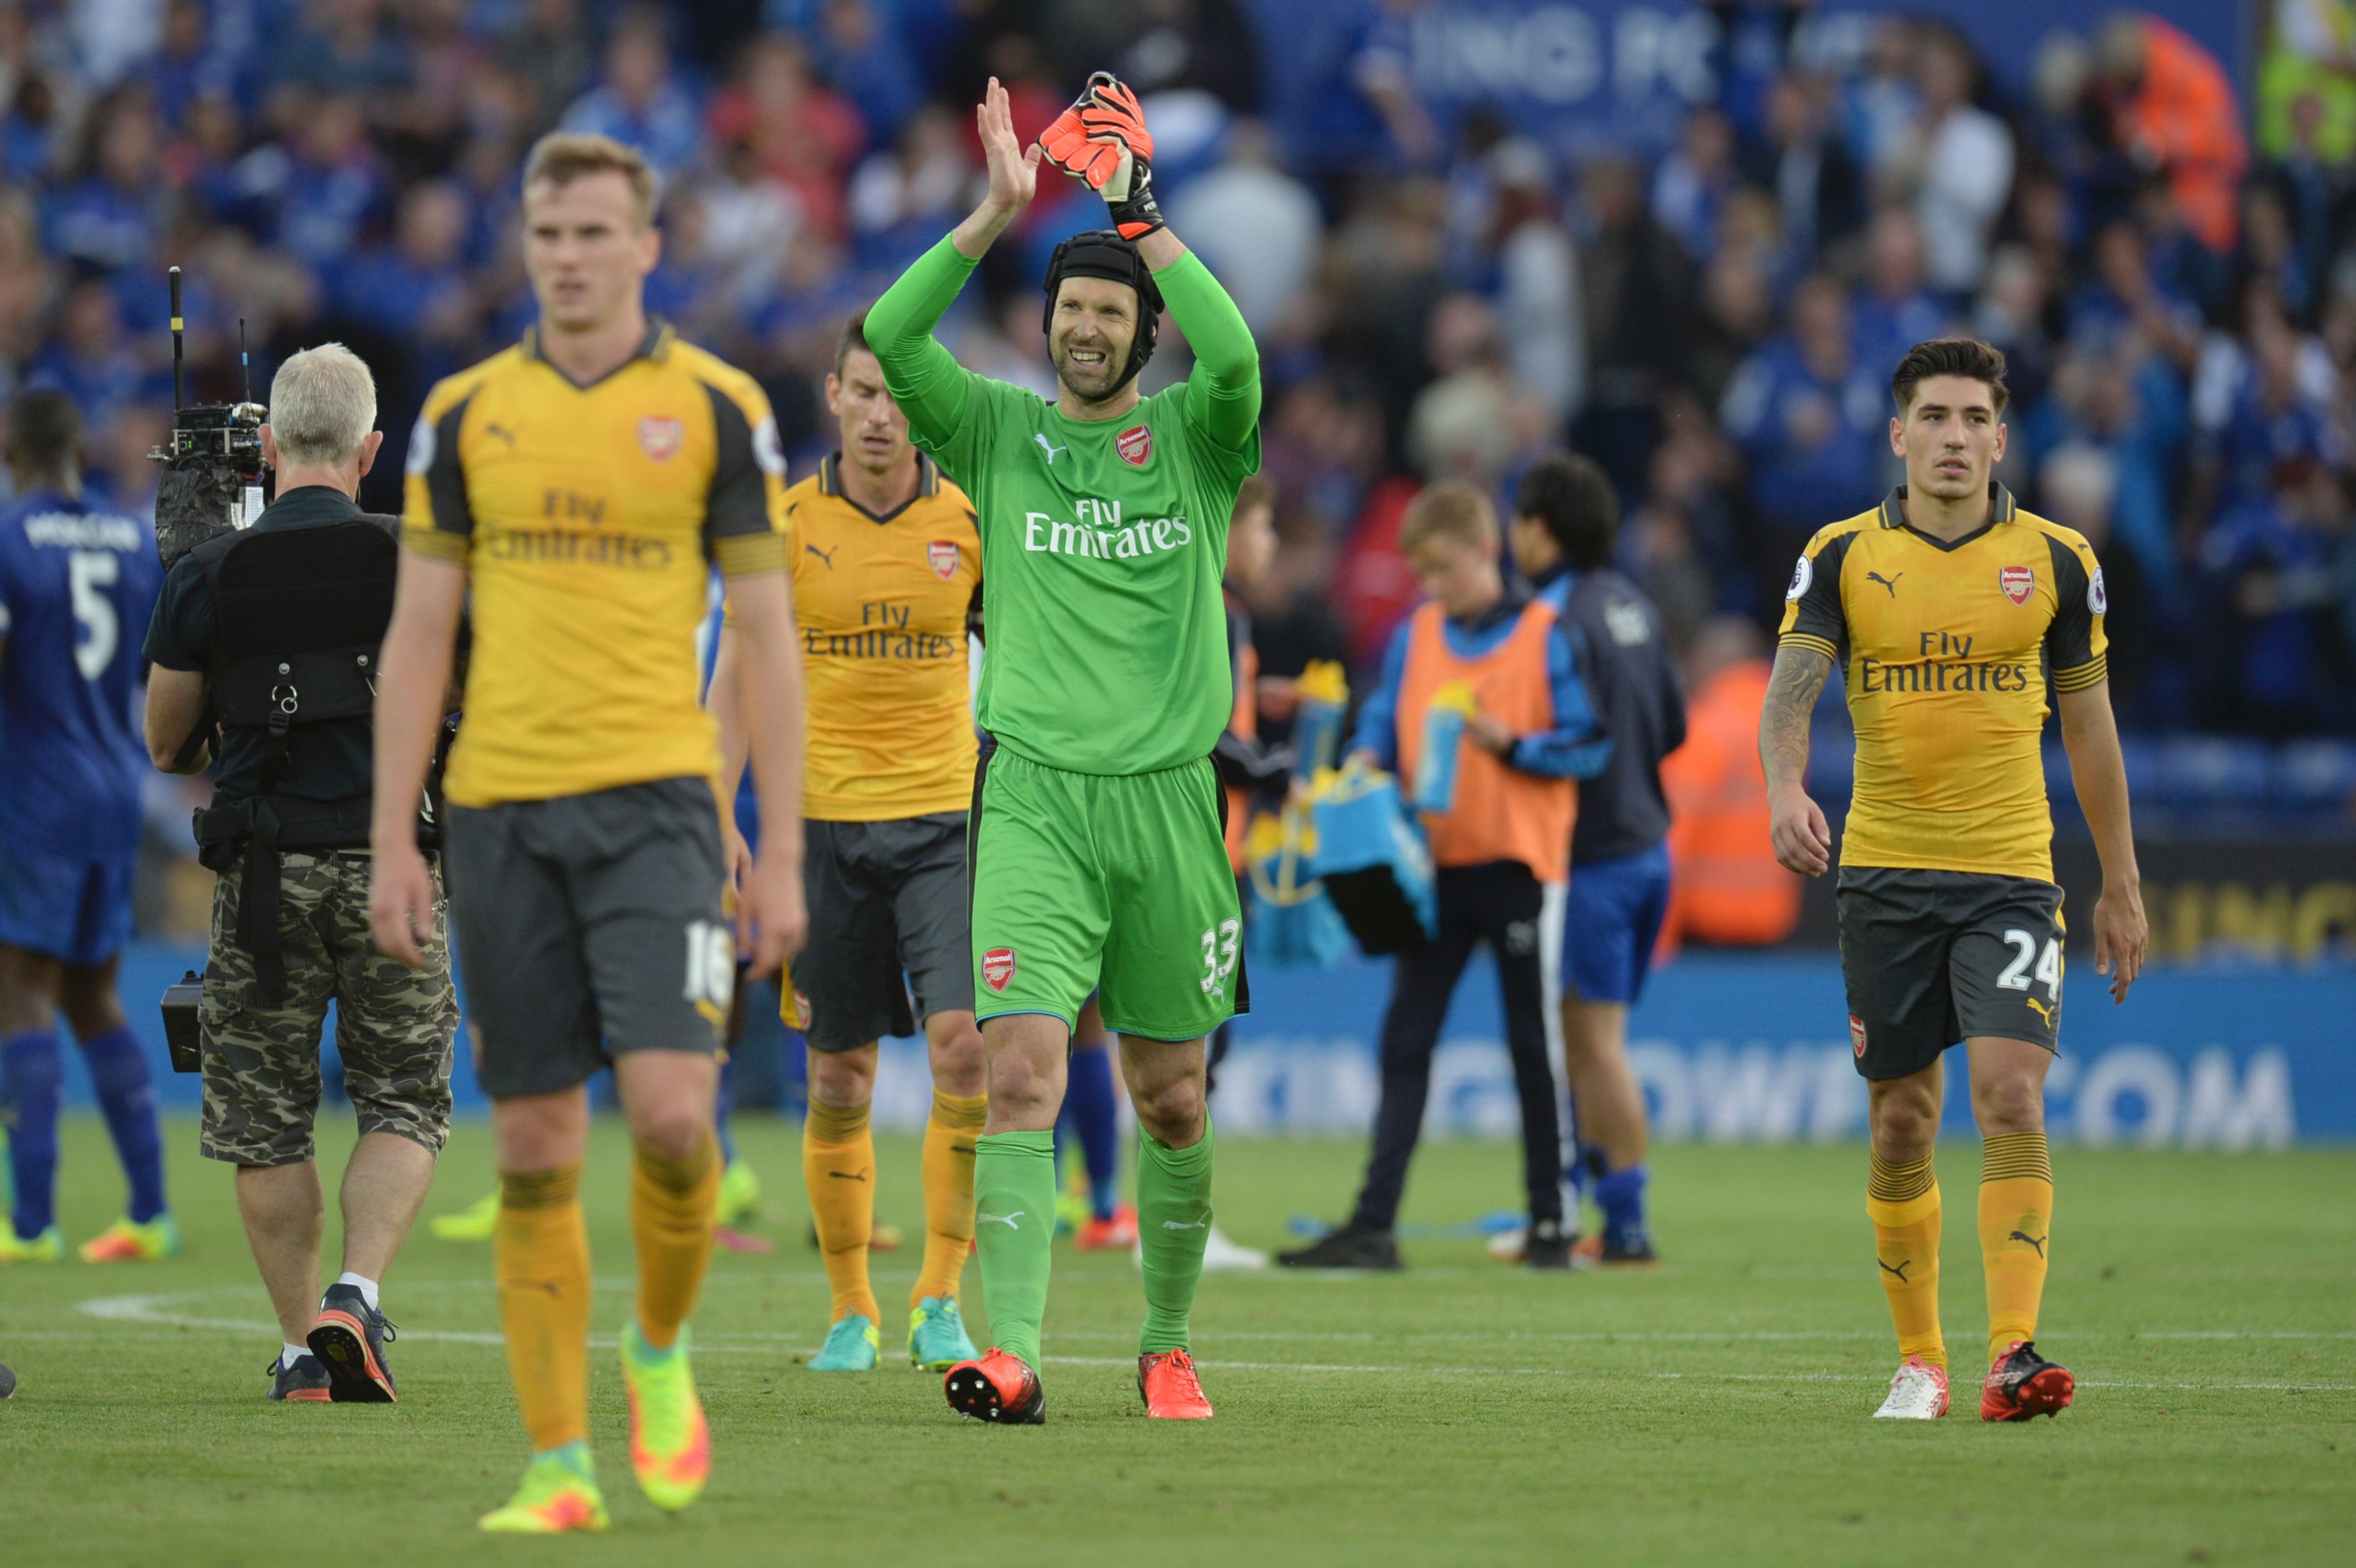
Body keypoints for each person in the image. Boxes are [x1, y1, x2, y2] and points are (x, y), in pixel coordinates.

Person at [367, 132, 807, 1530]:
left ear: (647, 245)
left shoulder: (720, 409)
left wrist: (779, 846)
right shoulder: (465, 415)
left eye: (593, 232)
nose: (567, 254)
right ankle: (558, 1463)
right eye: (546, 231)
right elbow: (420, 634)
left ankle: (658, 1351)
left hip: (663, 809)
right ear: (527, 241)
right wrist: (395, 839)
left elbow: (768, 641)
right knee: (540, 1145)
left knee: (677, 1120)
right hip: (499, 812)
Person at [862, 73, 1260, 1424]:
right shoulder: (999, 433)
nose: (1086, 329)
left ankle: (1164, 1343)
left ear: (1142, 332)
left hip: (1169, 807)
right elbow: (890, 331)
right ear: (1044, 328)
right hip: (1031, 797)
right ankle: (1013, 1350)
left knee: (1173, 1101)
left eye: (1109, 314)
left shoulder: (1199, 447)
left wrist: (1141, 223)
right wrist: (989, 214)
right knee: (1018, 1069)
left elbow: (1243, 357)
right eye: (1070, 310)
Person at [1761, 337, 2148, 1422]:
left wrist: (2120, 882)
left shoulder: (2058, 558)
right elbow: (1788, 693)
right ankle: (1919, 1361)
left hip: (2011, 874)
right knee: (1901, 1123)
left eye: (1976, 418)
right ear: (1898, 434)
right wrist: (1785, 789)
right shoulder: (1840, 555)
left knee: (2012, 1092)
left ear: (2001, 436)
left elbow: (2090, 723)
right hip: (1883, 872)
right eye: (1935, 416)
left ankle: (2010, 1354)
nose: (1955, 438)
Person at [143, 347, 458, 1405]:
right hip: (396, 872)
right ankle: (354, 1296)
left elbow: (165, 742)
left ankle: (297, 1353)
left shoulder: (207, 572)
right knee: (405, 1101)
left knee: (266, 1120)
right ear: (372, 451)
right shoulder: (421, 559)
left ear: (268, 446)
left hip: (266, 882)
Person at [706, 306, 988, 1375]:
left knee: (966, 1044)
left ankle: (938, 1299)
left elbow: (1020, 653)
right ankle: (850, 1310)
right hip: (820, 825)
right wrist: (715, 809)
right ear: (832, 397)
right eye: (861, 391)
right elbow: (736, 678)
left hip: (945, 821)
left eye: (897, 395)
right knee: (839, 1078)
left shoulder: (966, 521)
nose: (880, 414)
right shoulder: (782, 525)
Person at [1279, 480, 1609, 1273]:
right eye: (1420, 573)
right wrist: (1363, 754)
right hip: (1434, 871)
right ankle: (1373, 1226)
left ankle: (1550, 1224)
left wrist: (1512, 745)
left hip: (1521, 869)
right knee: (1405, 1039)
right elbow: (1384, 716)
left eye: (1442, 569)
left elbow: (1589, 744)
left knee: (1534, 1046)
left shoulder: (1544, 633)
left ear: (1485, 550)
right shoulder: (1416, 634)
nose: (1431, 588)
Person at [0, 389, 174, 1269]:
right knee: (90, 992)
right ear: (81, 449)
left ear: (10, 448)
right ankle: (149, 1210)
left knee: (21, 992)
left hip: (34, 790)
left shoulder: (8, 539)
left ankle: (29, 1224)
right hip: (116, 784)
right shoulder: (130, 538)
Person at [1510, 452, 1687, 1264]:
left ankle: (1626, 1225)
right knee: (1594, 1039)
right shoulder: (1633, 606)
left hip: (1590, 862)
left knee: (1590, 1044)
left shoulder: (1550, 618)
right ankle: (1598, 1215)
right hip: (1648, 850)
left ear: (1540, 529)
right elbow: (1673, 728)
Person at [1658, 618, 1801, 950]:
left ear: (1711, 662)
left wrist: (1660, 939)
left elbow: (1674, 839)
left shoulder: (1704, 726)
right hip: (1770, 928)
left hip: (1704, 932)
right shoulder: (1791, 730)